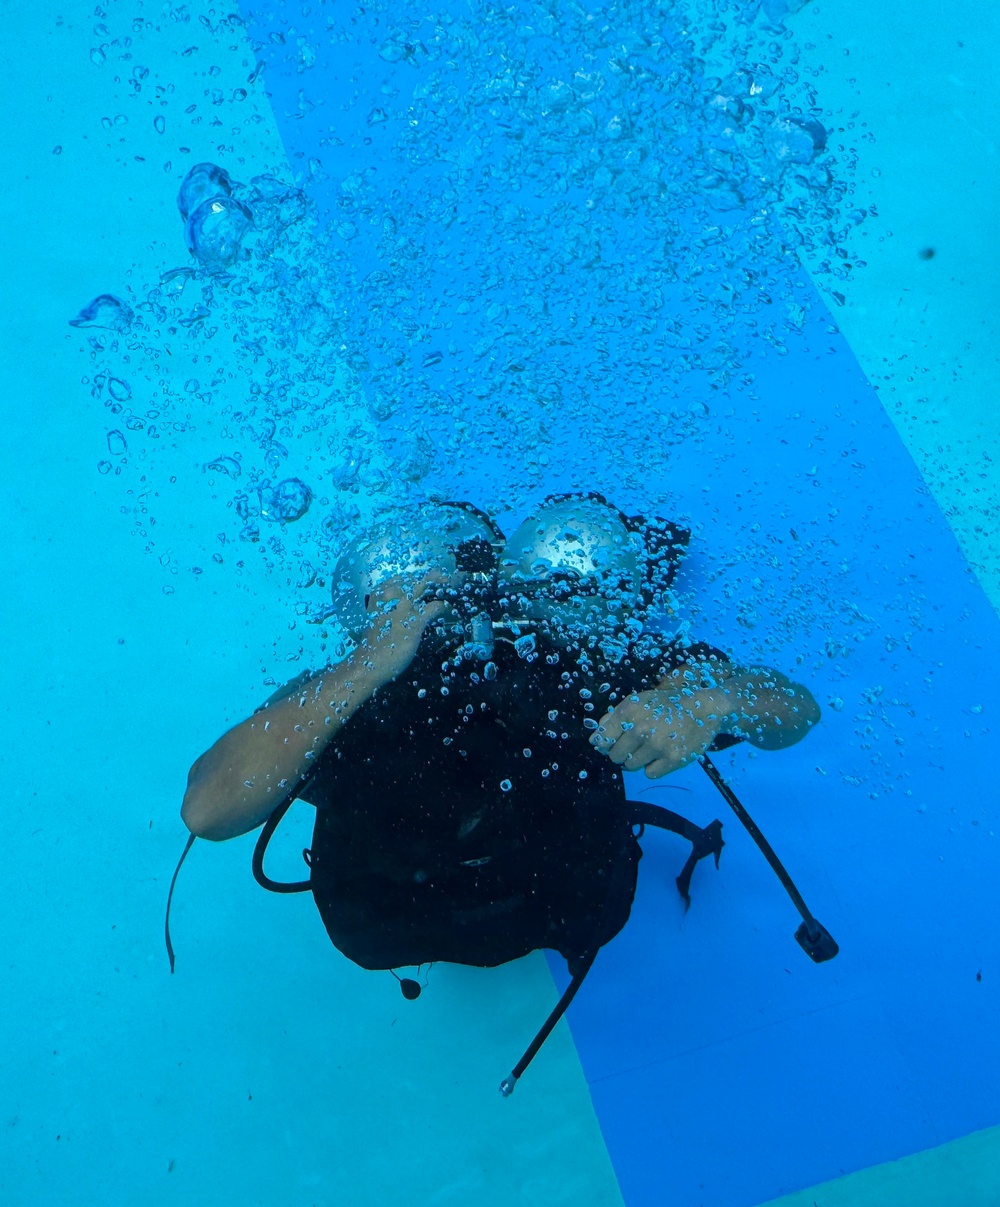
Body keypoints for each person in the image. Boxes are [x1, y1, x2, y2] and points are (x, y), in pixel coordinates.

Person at [177, 494, 823, 1092]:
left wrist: (707, 701)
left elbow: (795, 710)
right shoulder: (354, 691)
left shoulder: (352, 700)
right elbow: (207, 807)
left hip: (426, 918)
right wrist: (367, 667)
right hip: (517, 909)